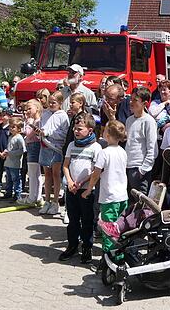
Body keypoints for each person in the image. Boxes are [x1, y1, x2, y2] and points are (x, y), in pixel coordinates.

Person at [60, 112, 103, 264]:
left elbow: (96, 171)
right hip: (71, 189)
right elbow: (65, 165)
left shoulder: (96, 147)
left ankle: (87, 247)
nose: (75, 131)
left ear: (90, 130)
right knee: (73, 220)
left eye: (79, 129)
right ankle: (72, 246)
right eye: (75, 129)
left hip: (86, 190)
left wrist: (82, 183)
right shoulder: (72, 145)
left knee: (87, 220)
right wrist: (70, 181)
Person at [82, 120, 128, 255]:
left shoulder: (104, 153)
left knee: (109, 230)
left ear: (107, 135)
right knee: (120, 228)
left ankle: (108, 258)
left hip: (109, 197)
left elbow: (96, 174)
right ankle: (120, 254)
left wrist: (89, 189)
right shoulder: (122, 151)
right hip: (122, 196)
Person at [38, 91, 70, 216]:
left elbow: (64, 134)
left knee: (56, 174)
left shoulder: (63, 116)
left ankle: (55, 201)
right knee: (47, 174)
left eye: (54, 102)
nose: (51, 104)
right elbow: (42, 128)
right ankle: (47, 200)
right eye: (50, 102)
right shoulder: (45, 113)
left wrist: (49, 133)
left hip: (56, 148)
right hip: (44, 146)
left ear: (60, 103)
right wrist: (39, 132)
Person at [124, 87, 158, 194]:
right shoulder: (129, 120)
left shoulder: (149, 121)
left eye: (135, 100)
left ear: (145, 103)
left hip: (139, 168)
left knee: (141, 201)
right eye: (131, 99)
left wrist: (143, 169)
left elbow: (152, 148)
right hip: (128, 166)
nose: (131, 102)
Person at [21, 99, 44, 206]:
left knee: (32, 173)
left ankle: (32, 197)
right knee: (36, 173)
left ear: (37, 108)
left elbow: (29, 133)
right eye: (26, 109)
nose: (27, 111)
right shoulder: (34, 121)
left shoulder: (37, 121)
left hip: (34, 146)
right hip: (32, 146)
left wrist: (28, 123)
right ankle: (37, 196)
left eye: (29, 108)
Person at [0, 118, 26, 201]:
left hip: (15, 163)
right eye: (10, 127)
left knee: (16, 179)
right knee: (8, 178)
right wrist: (5, 152)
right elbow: (9, 148)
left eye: (13, 127)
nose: (11, 129)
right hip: (8, 162)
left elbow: (22, 150)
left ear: (19, 129)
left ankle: (17, 194)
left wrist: (10, 153)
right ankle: (8, 192)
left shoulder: (19, 138)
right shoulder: (10, 137)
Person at [0, 108, 13, 194]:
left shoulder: (11, 128)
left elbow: (12, 140)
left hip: (7, 153)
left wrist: (7, 151)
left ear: (9, 116)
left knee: (8, 171)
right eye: (1, 115)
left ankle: (9, 188)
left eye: (4, 115)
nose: (2, 117)